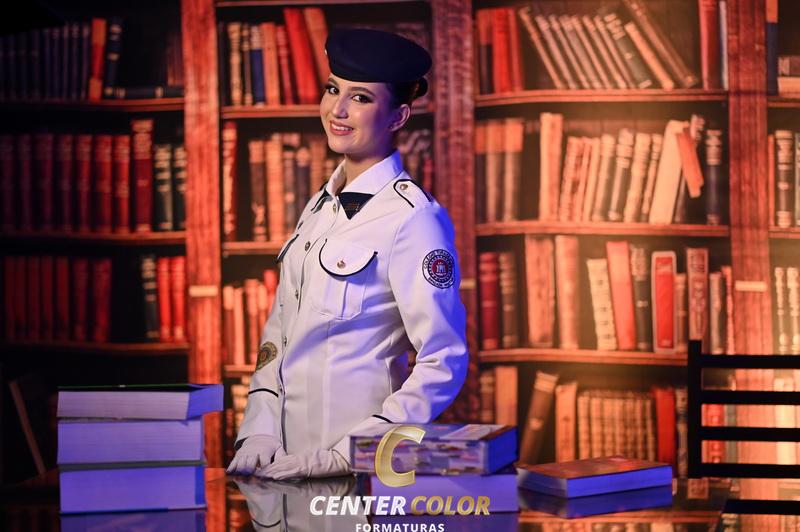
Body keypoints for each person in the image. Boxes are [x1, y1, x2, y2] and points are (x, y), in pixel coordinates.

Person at [226, 28, 468, 480]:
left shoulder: (414, 219)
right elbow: (280, 334)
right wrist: (258, 430)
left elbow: (444, 360)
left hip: (359, 474)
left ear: (397, 117)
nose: (337, 109)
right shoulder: (320, 207)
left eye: (360, 98)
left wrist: (353, 453)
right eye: (333, 89)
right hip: (282, 467)